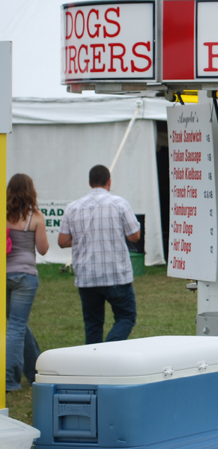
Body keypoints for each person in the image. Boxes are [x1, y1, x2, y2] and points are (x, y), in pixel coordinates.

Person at [58, 165, 141, 344]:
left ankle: (93, 362)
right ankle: (109, 349)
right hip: (116, 273)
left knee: (93, 324)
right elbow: (134, 236)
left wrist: (84, 237)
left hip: (87, 275)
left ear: (89, 183)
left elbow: (62, 241)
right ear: (109, 182)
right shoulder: (119, 203)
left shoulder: (73, 207)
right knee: (126, 317)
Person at [6, 174, 49, 391]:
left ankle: (34, 371)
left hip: (3, 275)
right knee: (16, 326)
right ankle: (10, 381)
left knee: (17, 323)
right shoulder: (36, 217)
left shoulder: (3, 215)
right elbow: (42, 249)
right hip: (25, 276)